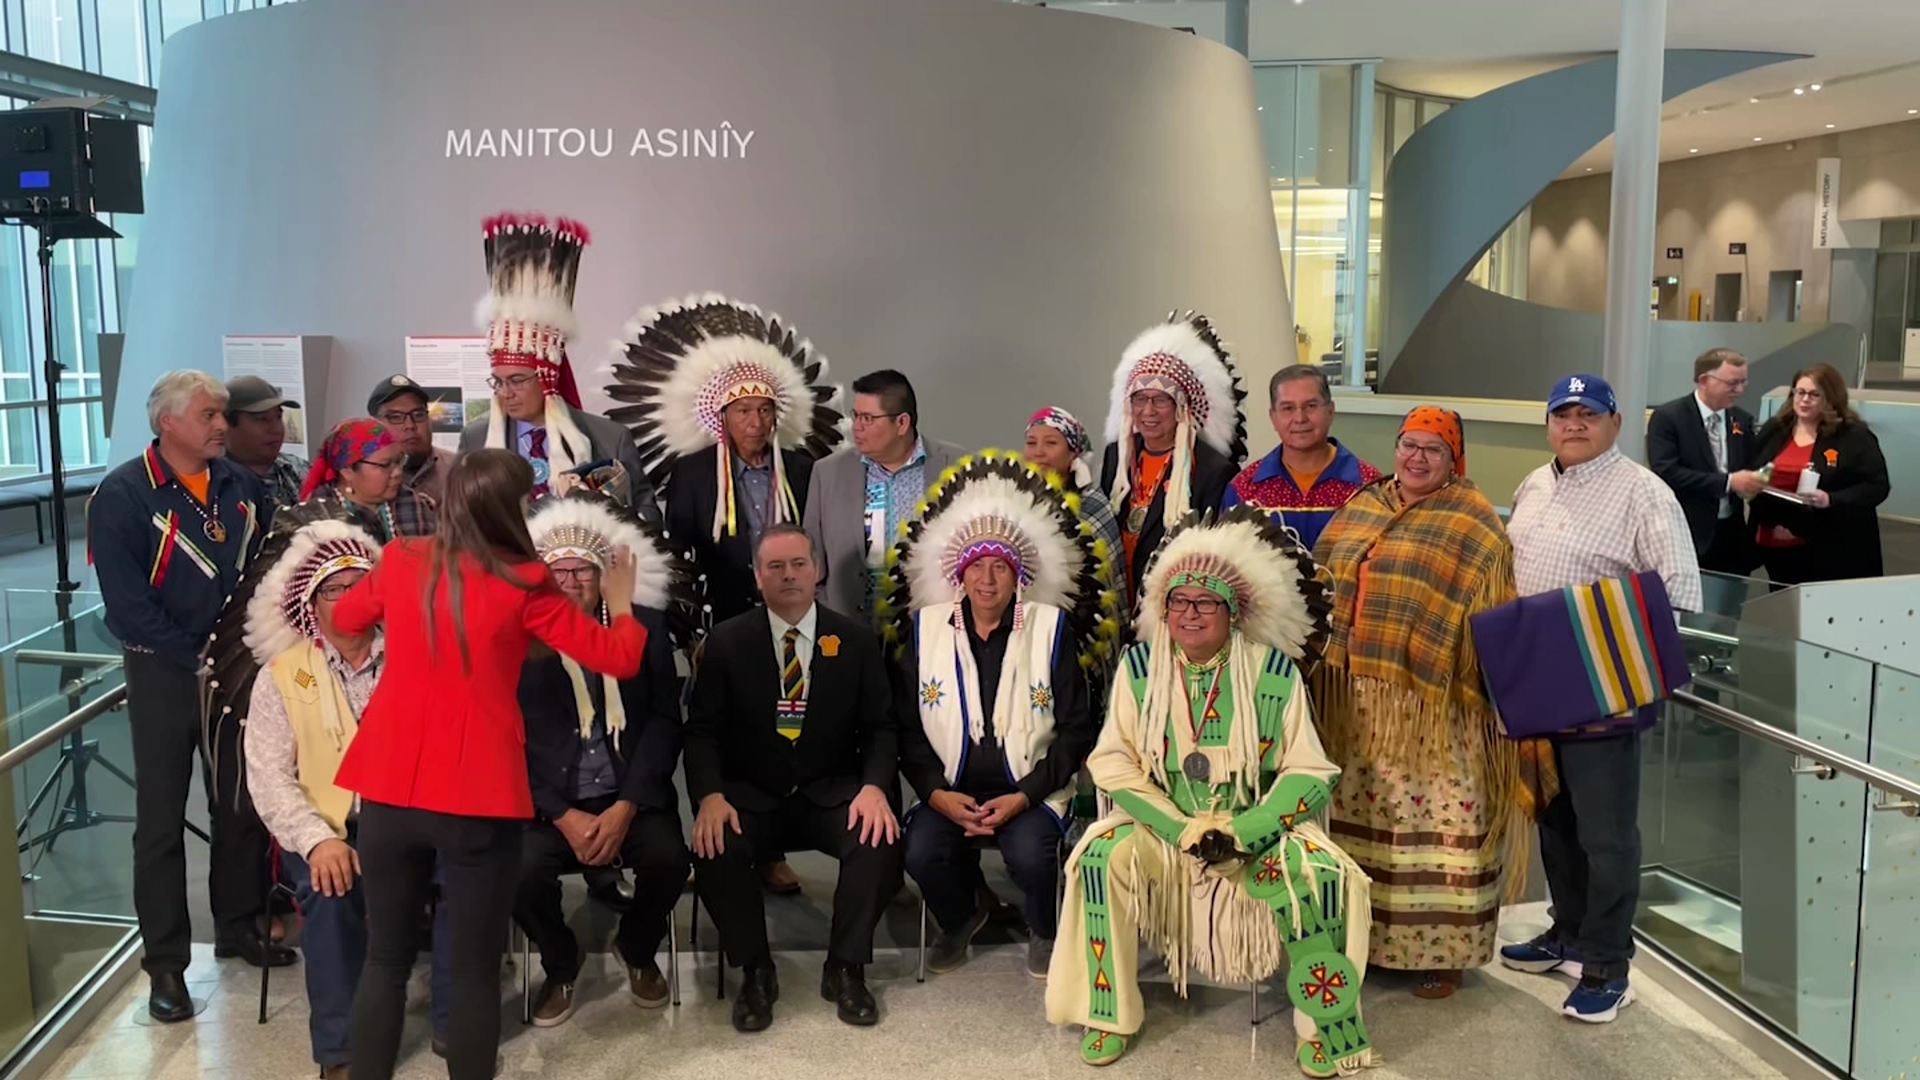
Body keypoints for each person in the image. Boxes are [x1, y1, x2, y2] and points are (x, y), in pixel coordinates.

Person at [331, 449, 649, 1080]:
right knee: (473, 966)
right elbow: (618, 658)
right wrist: (621, 599)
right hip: (476, 793)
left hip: (390, 787)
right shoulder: (526, 583)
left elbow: (342, 620)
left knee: (385, 958)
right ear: (514, 509)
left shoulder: (400, 560)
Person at [1045, 507, 1373, 1075]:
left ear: (1233, 612)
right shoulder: (1140, 668)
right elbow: (1115, 760)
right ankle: (1109, 1013)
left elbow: (1308, 770)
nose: (1188, 613)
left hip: (1252, 830)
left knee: (1323, 874)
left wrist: (1246, 831)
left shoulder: (1272, 671)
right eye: (1177, 601)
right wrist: (1179, 827)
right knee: (1098, 857)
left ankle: (1323, 1025)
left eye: (1205, 603)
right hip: (1163, 829)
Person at [1312, 406, 1548, 999]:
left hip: (1435, 710)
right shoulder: (1363, 504)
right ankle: (1358, 941)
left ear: (1453, 459)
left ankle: (1440, 954)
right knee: (1360, 823)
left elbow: (1492, 615)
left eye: (1432, 450)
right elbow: (1321, 582)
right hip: (1354, 706)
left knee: (1435, 827)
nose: (1416, 458)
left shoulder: (1474, 523)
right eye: (1408, 445)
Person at [1500, 374, 1702, 1025]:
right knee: (1555, 820)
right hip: (1538, 681)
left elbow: (1678, 594)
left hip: (1604, 683)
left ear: (1616, 423)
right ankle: (1570, 932)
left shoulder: (1645, 493)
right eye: (1564, 413)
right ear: (1549, 422)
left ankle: (1609, 964)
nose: (1575, 424)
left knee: (1607, 833)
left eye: (1590, 414)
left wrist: (1615, 653)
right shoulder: (1535, 483)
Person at [90, 370, 283, 1023]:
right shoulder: (121, 496)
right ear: (167, 421)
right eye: (209, 415)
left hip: (234, 667)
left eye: (224, 414)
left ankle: (237, 925)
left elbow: (263, 571)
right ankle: (166, 967)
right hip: (163, 673)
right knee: (161, 823)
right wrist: (193, 654)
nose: (223, 426)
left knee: (240, 806)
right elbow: (126, 607)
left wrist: (241, 648)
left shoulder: (240, 485)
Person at [228, 512, 448, 1080]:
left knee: (463, 871)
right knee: (328, 892)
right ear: (311, 601)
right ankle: (342, 1049)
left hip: (412, 820)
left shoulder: (418, 653)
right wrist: (318, 840)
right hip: (330, 828)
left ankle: (453, 1020)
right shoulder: (282, 674)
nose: (350, 599)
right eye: (334, 590)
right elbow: (269, 778)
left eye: (361, 586)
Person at [887, 454, 1107, 979]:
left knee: (1032, 855)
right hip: (950, 788)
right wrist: (935, 792)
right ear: (959, 573)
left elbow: (1077, 726)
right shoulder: (925, 630)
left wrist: (1025, 795)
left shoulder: (1050, 629)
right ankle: (963, 917)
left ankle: (1043, 926)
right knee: (919, 852)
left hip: (1027, 787)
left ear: (1018, 574)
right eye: (977, 567)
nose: (987, 579)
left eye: (1000, 567)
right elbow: (906, 728)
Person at [685, 523, 903, 1032]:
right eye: (776, 567)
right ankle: (755, 971)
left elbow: (880, 728)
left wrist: (873, 787)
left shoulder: (854, 640)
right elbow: (701, 732)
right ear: (758, 577)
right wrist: (710, 795)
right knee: (714, 846)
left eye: (798, 564)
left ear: (818, 570)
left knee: (877, 840)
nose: (789, 575)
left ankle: (845, 967)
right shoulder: (727, 642)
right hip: (751, 797)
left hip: (829, 793)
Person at [514, 493, 693, 1024]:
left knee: (668, 862)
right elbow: (508, 739)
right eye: (559, 572)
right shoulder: (517, 639)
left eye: (583, 572)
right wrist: (561, 815)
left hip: (628, 796)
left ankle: (637, 948)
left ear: (604, 575)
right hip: (550, 805)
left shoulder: (644, 627)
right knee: (515, 873)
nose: (571, 583)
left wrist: (628, 805)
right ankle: (560, 961)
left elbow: (664, 720)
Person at [609, 293, 846, 623]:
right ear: (722, 417)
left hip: (797, 611)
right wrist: (692, 626)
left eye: (765, 410)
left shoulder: (803, 471)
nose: (756, 422)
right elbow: (680, 554)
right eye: (744, 411)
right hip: (723, 617)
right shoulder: (692, 475)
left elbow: (821, 547)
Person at [456, 212, 653, 511]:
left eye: (517, 380)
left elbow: (646, 518)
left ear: (547, 378)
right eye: (498, 381)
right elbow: (461, 517)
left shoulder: (610, 439)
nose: (505, 392)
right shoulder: (476, 439)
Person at [1099, 312, 1246, 605]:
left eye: (1160, 400)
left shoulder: (1212, 470)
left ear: (1182, 406)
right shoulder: (1117, 455)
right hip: (1116, 597)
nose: (1148, 411)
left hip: (1170, 604)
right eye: (1140, 399)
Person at [803, 369, 965, 621]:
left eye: (868, 418)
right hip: (851, 630)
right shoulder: (828, 473)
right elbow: (810, 564)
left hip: (934, 629)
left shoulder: (958, 467)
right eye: (856, 415)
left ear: (902, 423)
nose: (856, 427)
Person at [1747, 363, 1891, 586]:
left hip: (1830, 547)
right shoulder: (1776, 428)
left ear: (1831, 398)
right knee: (1782, 609)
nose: (1805, 400)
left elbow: (1876, 486)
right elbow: (1755, 468)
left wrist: (1831, 499)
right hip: (1775, 544)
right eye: (1800, 392)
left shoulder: (1854, 436)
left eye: (1814, 395)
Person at [1222, 364, 1381, 551]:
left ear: (1330, 411)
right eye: (1288, 408)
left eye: (1311, 406)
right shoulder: (1244, 490)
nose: (1300, 418)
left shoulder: (1369, 486)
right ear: (1273, 417)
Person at [1646, 348, 1764, 577]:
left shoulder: (1741, 419)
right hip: (1686, 534)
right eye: (1732, 383)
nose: (1739, 390)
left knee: (1729, 608)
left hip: (1731, 537)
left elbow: (1752, 462)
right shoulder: (1669, 418)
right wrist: (1728, 482)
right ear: (1704, 380)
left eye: (1743, 382)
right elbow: (1666, 471)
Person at [1023, 406, 1123, 590]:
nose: (1038, 452)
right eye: (1031, 443)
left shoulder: (1092, 505)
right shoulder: (1016, 502)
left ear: (1073, 452)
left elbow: (1109, 581)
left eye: (1051, 443)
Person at [300, 418, 438, 541]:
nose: (397, 472)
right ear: (347, 471)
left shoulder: (414, 503)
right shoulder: (318, 515)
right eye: (385, 465)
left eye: (399, 461)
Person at [369, 373, 457, 506]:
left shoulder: (457, 470)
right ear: (375, 424)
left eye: (418, 415)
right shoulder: (363, 476)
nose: (410, 426)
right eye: (396, 417)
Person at [223, 374, 308, 508]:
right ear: (226, 423)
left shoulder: (299, 470)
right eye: (262, 419)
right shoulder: (214, 480)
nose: (276, 429)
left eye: (278, 417)